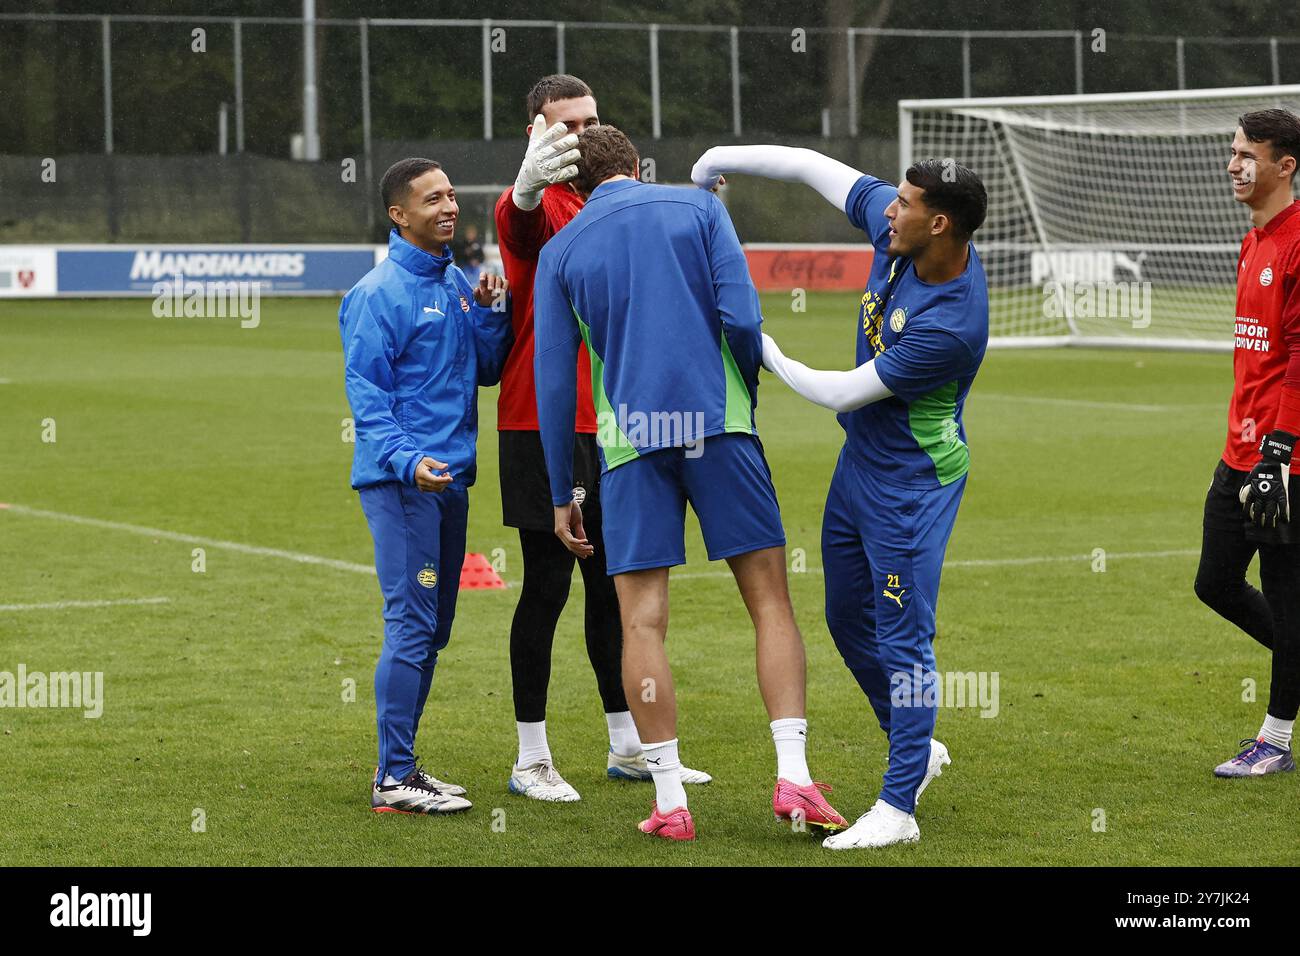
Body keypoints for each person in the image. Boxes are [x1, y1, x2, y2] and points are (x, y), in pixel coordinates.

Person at [534, 126, 847, 841]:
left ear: (575, 188)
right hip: (719, 425)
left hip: (630, 445)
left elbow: (553, 381)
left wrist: (561, 492)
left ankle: (671, 799)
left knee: (641, 621)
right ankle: (794, 776)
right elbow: (741, 317)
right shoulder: (700, 207)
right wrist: (744, 398)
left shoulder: (560, 250)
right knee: (769, 602)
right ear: (636, 166)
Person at [692, 144, 988, 849]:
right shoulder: (902, 231)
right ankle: (916, 746)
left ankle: (897, 808)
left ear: (938, 224)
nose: (887, 210)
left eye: (904, 204)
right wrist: (712, 160)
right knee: (845, 616)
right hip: (860, 466)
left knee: (904, 638)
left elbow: (840, 391)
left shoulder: (952, 322)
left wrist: (756, 340)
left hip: (911, 486)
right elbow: (806, 164)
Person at [494, 74, 708, 801]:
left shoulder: (613, 201)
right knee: (546, 585)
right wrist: (525, 190)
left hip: (614, 419)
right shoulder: (536, 201)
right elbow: (517, 225)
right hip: (540, 419)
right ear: (536, 133)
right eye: (566, 125)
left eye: (591, 121)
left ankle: (629, 745)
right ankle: (531, 758)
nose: (582, 135)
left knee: (615, 585)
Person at [340, 157, 511, 814]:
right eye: (432, 199)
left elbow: (486, 370)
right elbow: (368, 396)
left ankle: (402, 765)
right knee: (411, 623)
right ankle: (393, 776)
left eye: (451, 195)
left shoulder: (457, 283)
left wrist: (489, 312)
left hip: (450, 479)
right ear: (398, 214)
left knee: (434, 627)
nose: (449, 207)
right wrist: (406, 459)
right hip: (404, 482)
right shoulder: (377, 294)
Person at [1195, 108, 1300, 778]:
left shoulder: (1297, 242)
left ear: (1284, 166)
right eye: (1233, 152)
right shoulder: (1252, 240)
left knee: (1287, 599)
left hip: (1285, 459)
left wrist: (1280, 451)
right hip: (1239, 452)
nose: (1234, 164)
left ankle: (1275, 741)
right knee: (1215, 582)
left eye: (1248, 155)